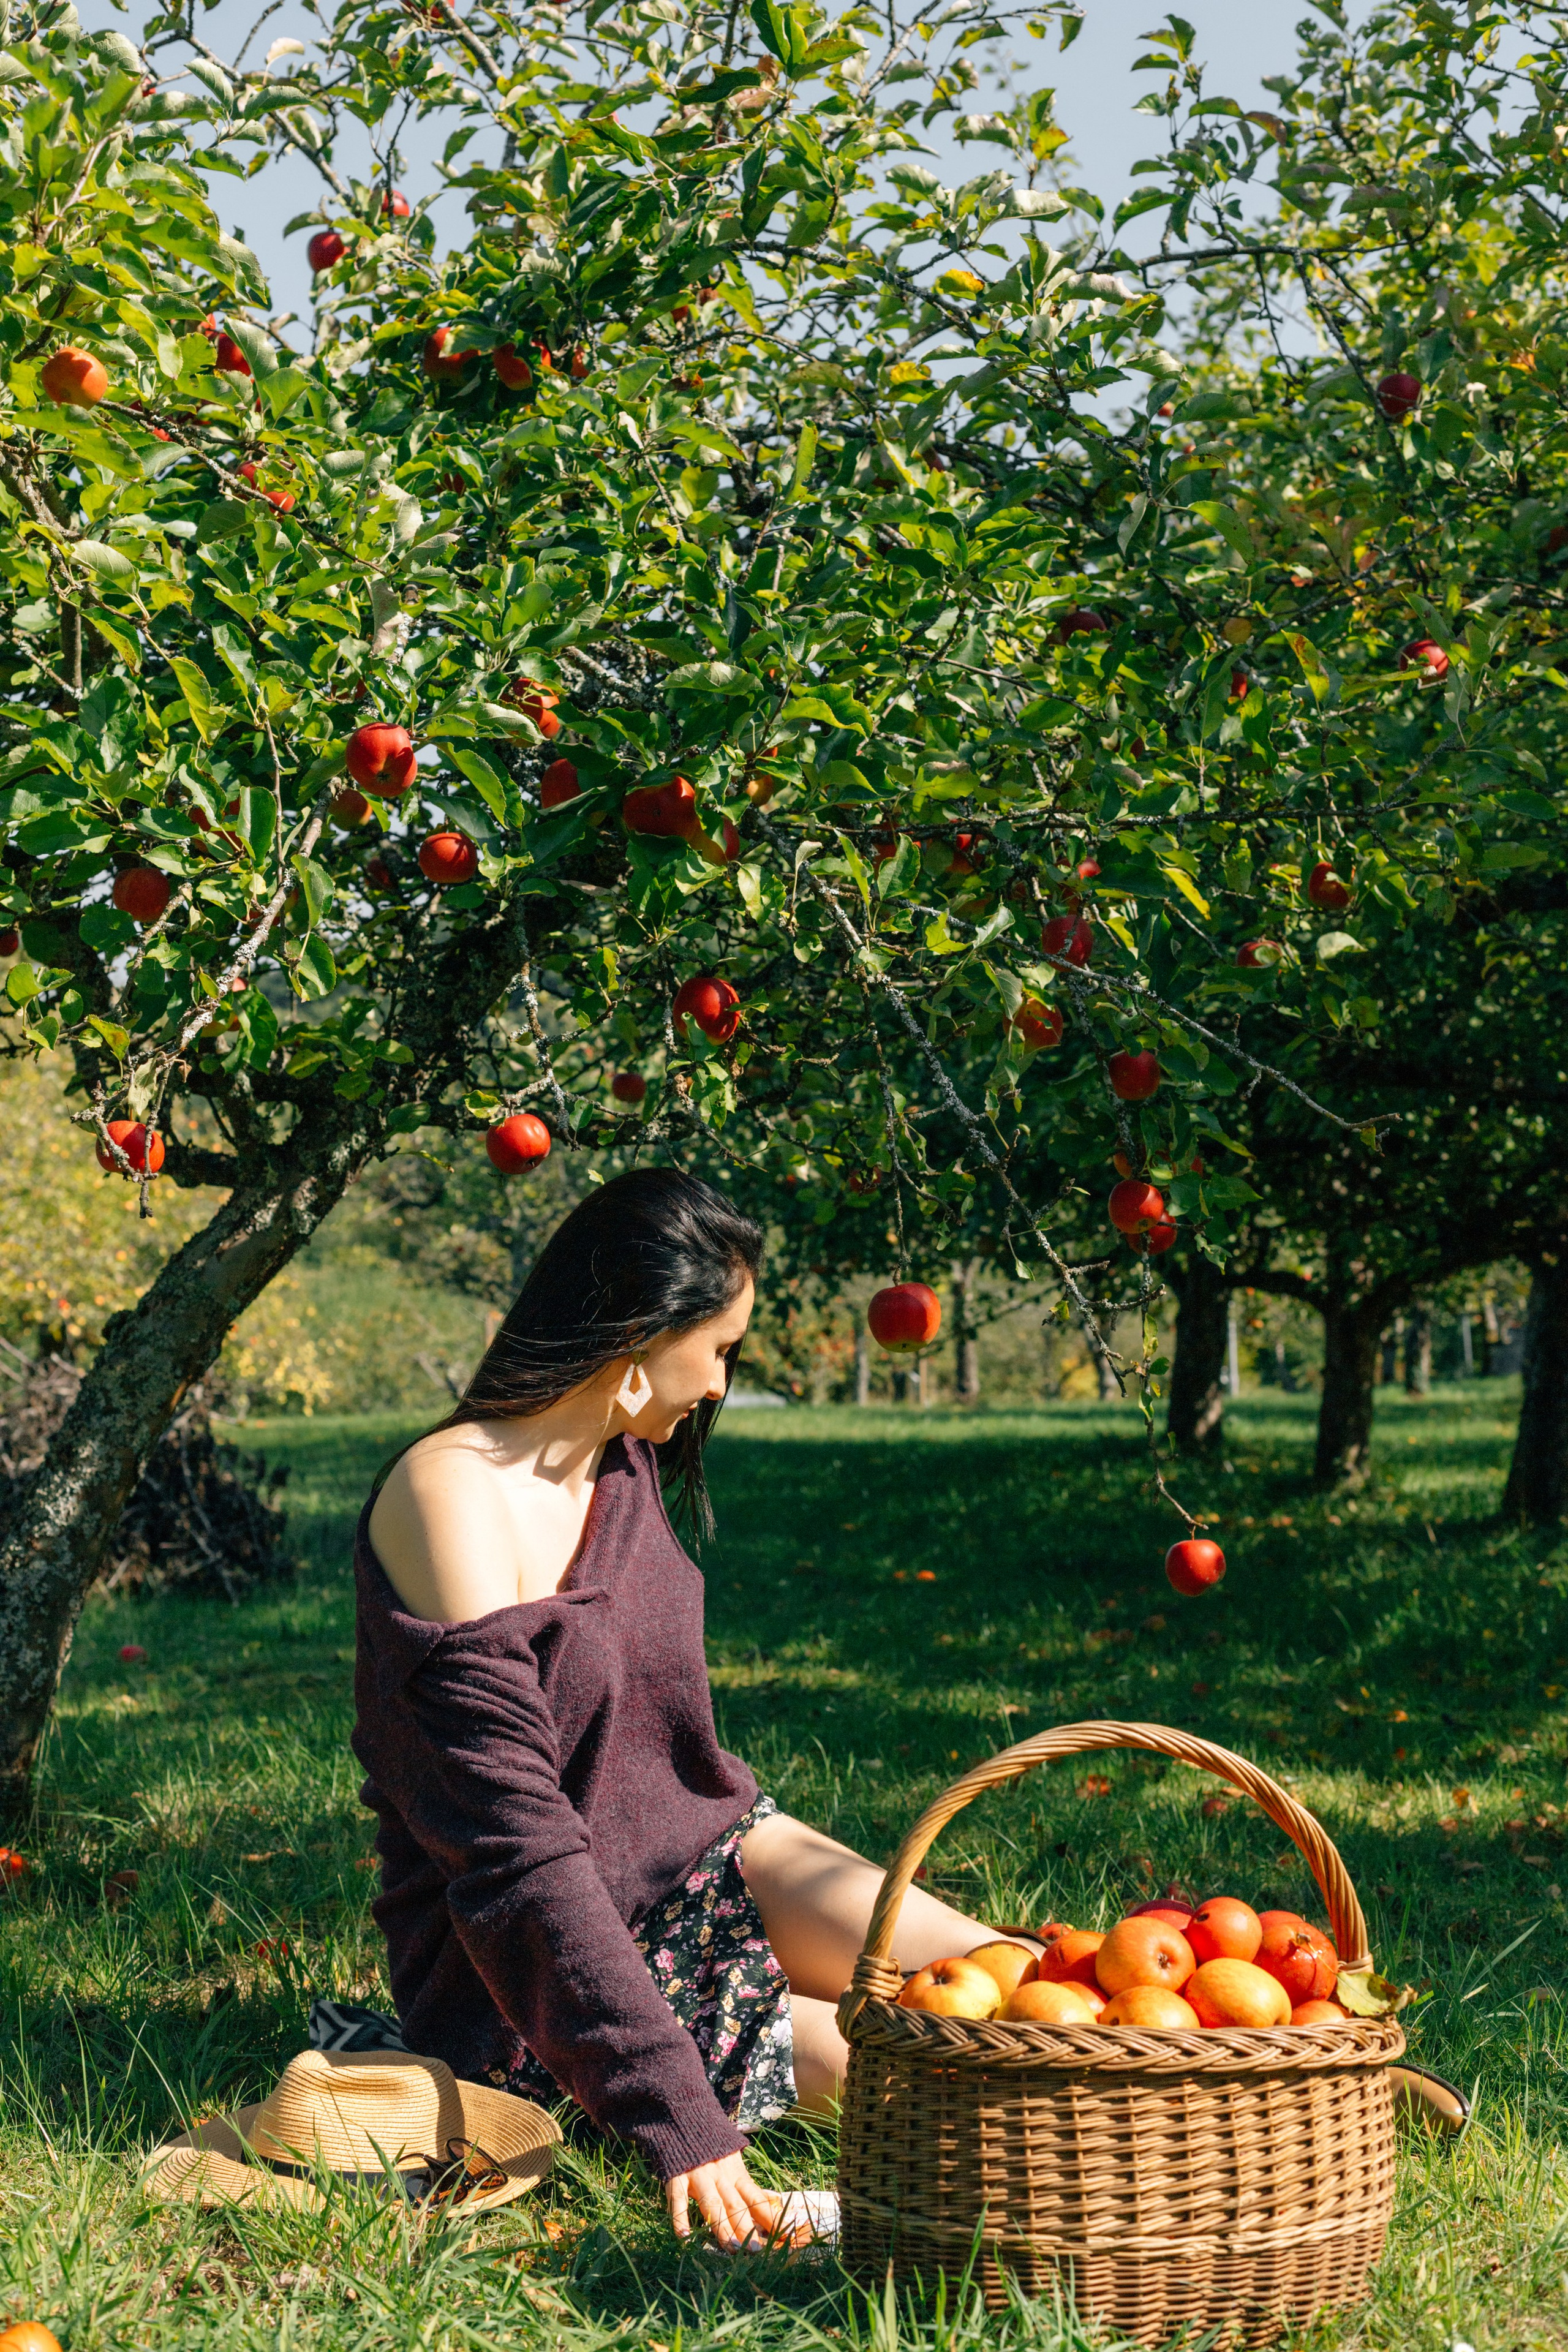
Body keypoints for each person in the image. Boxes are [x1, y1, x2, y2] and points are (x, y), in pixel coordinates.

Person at [353, 1166, 1016, 2249]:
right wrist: (677, 2115)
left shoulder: (624, 1462)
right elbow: (514, 1855)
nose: (717, 1385)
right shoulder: (450, 1496)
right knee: (947, 2084)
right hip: (532, 1969)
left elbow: (672, 1776)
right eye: (717, 1350)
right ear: (639, 1332)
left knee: (1017, 1987)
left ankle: (1273, 2094)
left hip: (709, 1867)